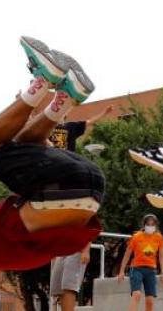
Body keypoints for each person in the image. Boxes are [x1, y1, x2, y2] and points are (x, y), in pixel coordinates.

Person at [0, 37, 102, 306]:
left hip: (92, 191)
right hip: (58, 188)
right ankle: (43, 81)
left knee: (24, 143)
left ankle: (67, 97)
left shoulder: (1, 257)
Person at [46, 105, 113, 311]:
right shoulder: (46, 126)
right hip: (61, 245)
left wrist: (104, 113)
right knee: (56, 288)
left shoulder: (71, 127)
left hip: (74, 244)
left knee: (68, 287)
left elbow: (89, 122)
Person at [117, 214, 163, 311]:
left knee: (150, 300)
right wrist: (121, 271)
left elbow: (162, 256)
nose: (150, 227)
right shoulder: (136, 237)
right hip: (136, 268)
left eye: (152, 224)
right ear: (144, 225)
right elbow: (127, 254)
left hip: (151, 270)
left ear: (156, 226)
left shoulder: (159, 238)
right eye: (148, 224)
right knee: (136, 294)